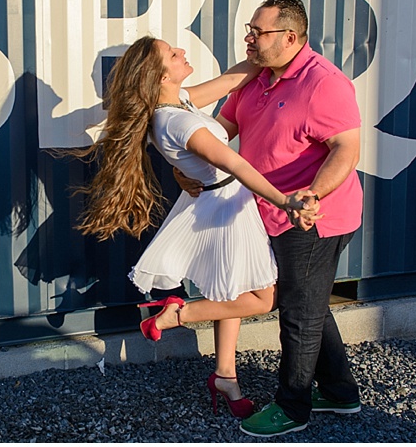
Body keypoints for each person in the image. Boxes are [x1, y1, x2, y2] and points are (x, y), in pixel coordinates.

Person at [69, 35, 317, 419]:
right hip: (223, 206)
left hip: (222, 200)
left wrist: (262, 48)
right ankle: (174, 316)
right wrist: (285, 201)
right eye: (173, 53)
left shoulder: (177, 103)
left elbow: (235, 79)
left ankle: (225, 375)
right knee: (262, 298)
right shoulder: (177, 120)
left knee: (230, 288)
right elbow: (236, 165)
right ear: (158, 74)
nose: (182, 52)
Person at [176, 0, 363, 437]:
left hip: (314, 218)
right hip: (268, 213)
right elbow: (223, 131)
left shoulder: (325, 84)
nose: (249, 39)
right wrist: (184, 161)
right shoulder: (255, 79)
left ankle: (293, 406)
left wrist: (311, 195)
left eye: (258, 33)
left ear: (291, 38)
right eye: (250, 29)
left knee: (298, 311)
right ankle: (339, 392)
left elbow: (346, 149)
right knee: (310, 300)